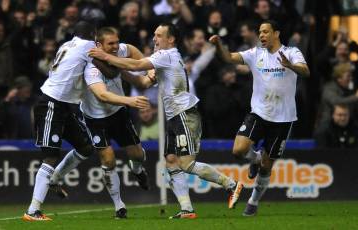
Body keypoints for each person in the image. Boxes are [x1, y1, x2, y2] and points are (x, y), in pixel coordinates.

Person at [89, 22, 243, 219]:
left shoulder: (166, 55)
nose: (154, 38)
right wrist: (118, 71)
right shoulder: (164, 59)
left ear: (170, 39)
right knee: (171, 161)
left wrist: (105, 57)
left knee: (186, 164)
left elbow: (136, 64)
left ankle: (231, 185)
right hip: (174, 116)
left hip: (184, 114)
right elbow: (144, 81)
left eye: (159, 35)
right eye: (154, 34)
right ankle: (187, 209)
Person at [210, 20, 310, 216]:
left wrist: (290, 66)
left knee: (267, 166)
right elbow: (229, 58)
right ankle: (254, 159)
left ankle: (253, 202)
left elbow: (306, 71)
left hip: (283, 118)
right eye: (260, 32)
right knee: (238, 150)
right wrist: (218, 45)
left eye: (266, 32)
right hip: (259, 113)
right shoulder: (255, 54)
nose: (262, 35)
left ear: (276, 33)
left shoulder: (291, 52)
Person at [22, 21, 117, 221]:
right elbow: (111, 72)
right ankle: (33, 210)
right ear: (92, 34)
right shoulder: (87, 47)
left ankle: (55, 178)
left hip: (64, 105)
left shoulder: (67, 44)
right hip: (51, 103)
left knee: (85, 147)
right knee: (50, 156)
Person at [80, 27, 151, 219]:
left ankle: (137, 169)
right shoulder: (91, 68)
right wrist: (130, 101)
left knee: (137, 155)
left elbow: (133, 50)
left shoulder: (117, 51)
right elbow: (103, 95)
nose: (115, 46)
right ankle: (119, 206)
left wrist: (148, 67)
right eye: (110, 43)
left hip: (118, 113)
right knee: (108, 159)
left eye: (116, 42)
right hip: (96, 118)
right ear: (98, 45)